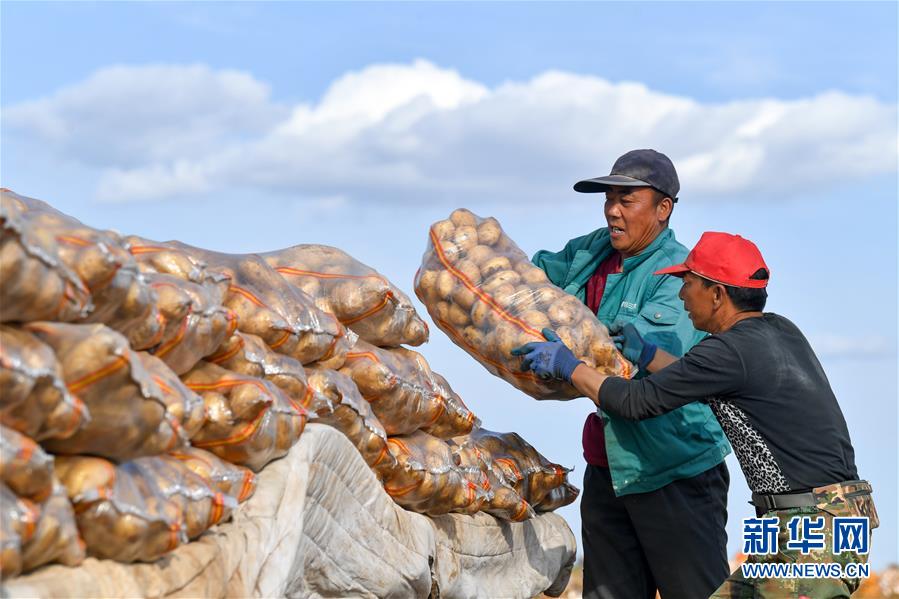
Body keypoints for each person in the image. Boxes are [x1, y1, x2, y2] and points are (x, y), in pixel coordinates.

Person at [515, 231, 879, 598]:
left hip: (814, 530)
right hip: (823, 518)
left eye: (688, 284)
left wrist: (569, 366)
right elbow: (706, 381)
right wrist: (647, 355)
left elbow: (635, 402)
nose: (682, 295)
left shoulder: (729, 351)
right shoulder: (778, 330)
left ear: (718, 294)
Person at [528, 149, 732, 598]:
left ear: (663, 209)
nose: (611, 210)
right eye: (608, 198)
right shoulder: (591, 251)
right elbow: (527, 277)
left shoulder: (679, 274)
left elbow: (633, 365)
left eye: (626, 198)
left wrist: (568, 360)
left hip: (674, 468)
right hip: (609, 466)